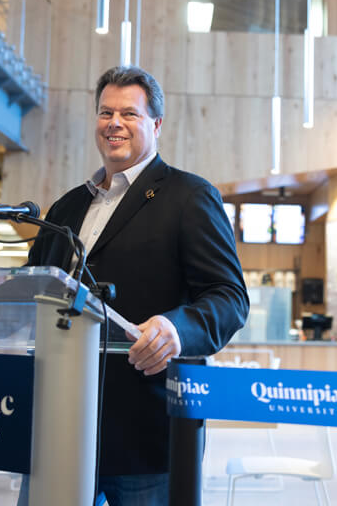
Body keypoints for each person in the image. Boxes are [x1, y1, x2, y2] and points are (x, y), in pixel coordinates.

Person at [22, 65, 250, 505]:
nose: (114, 124)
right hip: (58, 423)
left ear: (156, 124)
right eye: (106, 113)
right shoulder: (67, 206)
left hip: (147, 428)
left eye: (129, 114)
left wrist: (175, 329)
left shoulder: (189, 196)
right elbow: (32, 287)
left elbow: (229, 297)